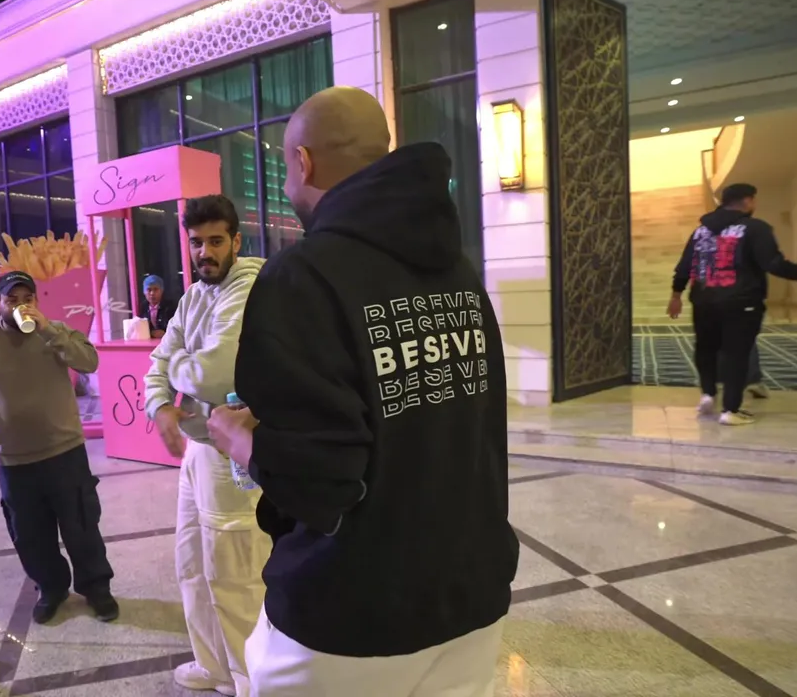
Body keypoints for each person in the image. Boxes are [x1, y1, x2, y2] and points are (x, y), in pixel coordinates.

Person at [206, 86, 518, 697]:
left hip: (349, 614)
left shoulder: (303, 276)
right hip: (470, 595)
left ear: (303, 163)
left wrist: (243, 442)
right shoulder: (457, 272)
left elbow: (323, 480)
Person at [144, 195, 269, 697]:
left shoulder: (248, 285)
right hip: (198, 446)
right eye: (196, 242)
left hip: (230, 452)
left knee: (235, 573)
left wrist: (176, 367)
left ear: (236, 241)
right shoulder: (193, 297)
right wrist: (160, 404)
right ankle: (214, 665)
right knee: (192, 562)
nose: (205, 252)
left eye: (216, 241)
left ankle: (250, 679)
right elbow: (159, 360)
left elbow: (215, 372)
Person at [0, 270, 118, 623]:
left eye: (27, 299)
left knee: (81, 525)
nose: (20, 306)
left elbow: (89, 361)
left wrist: (49, 331)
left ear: (37, 302)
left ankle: (96, 587)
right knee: (29, 534)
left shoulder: (55, 331)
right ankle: (51, 588)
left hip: (65, 451)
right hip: (14, 458)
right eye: (11, 300)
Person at [668, 183, 797, 425]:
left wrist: (676, 295)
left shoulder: (701, 231)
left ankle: (708, 394)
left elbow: (685, 265)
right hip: (741, 301)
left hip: (704, 300)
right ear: (747, 201)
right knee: (736, 353)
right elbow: (773, 263)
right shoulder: (755, 228)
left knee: (706, 348)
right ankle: (731, 410)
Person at [137, 274, 176, 338]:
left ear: (161, 291)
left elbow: (177, 328)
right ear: (144, 292)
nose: (152, 293)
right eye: (149, 290)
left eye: (155, 289)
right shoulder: (142, 307)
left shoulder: (170, 307)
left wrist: (166, 333)